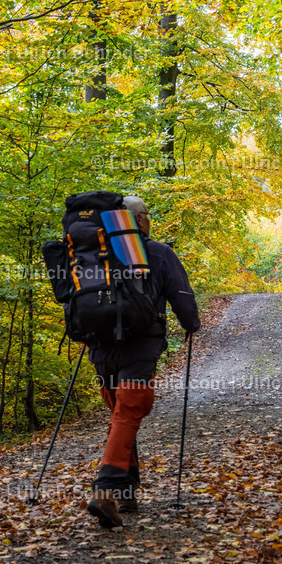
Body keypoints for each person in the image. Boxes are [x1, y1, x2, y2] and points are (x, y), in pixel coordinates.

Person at [86, 196, 200, 528]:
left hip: (100, 350)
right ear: (140, 219)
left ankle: (127, 490)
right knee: (129, 413)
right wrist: (191, 325)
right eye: (147, 214)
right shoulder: (159, 253)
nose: (150, 219)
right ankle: (106, 492)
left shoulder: (95, 254)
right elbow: (182, 295)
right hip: (139, 349)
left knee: (123, 416)